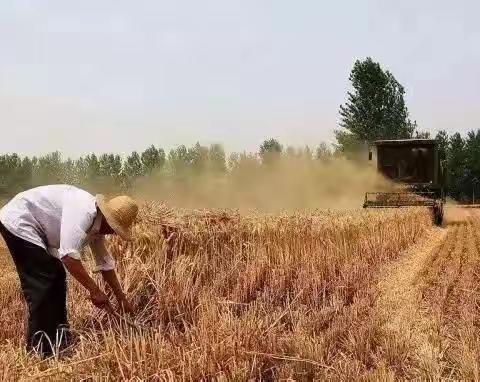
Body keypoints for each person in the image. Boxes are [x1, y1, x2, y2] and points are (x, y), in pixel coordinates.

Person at [0, 185, 138, 356]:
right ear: (109, 221)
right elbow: (69, 257)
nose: (115, 234)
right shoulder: (84, 214)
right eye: (116, 229)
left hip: (35, 226)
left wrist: (121, 297)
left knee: (57, 276)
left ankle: (59, 337)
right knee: (43, 281)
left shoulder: (98, 226)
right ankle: (39, 349)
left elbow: (105, 263)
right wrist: (95, 291)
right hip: (20, 219)